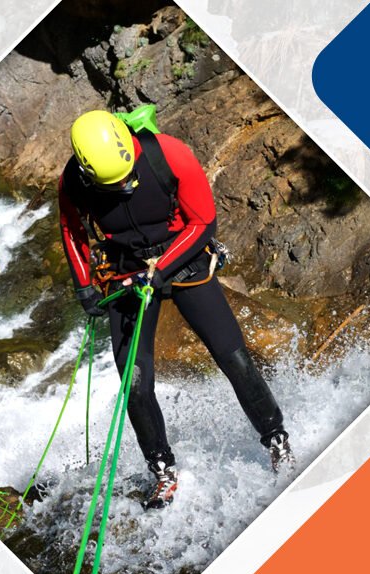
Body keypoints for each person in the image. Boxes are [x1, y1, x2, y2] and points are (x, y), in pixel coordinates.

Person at [58, 110, 294, 510]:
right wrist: (84, 287)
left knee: (234, 358)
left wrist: (161, 270)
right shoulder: (73, 182)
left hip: (183, 257)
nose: (126, 188)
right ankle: (162, 470)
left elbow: (203, 222)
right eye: (115, 185)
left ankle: (277, 441)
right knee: (134, 383)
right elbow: (72, 230)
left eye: (128, 178)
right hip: (125, 270)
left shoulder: (168, 154)